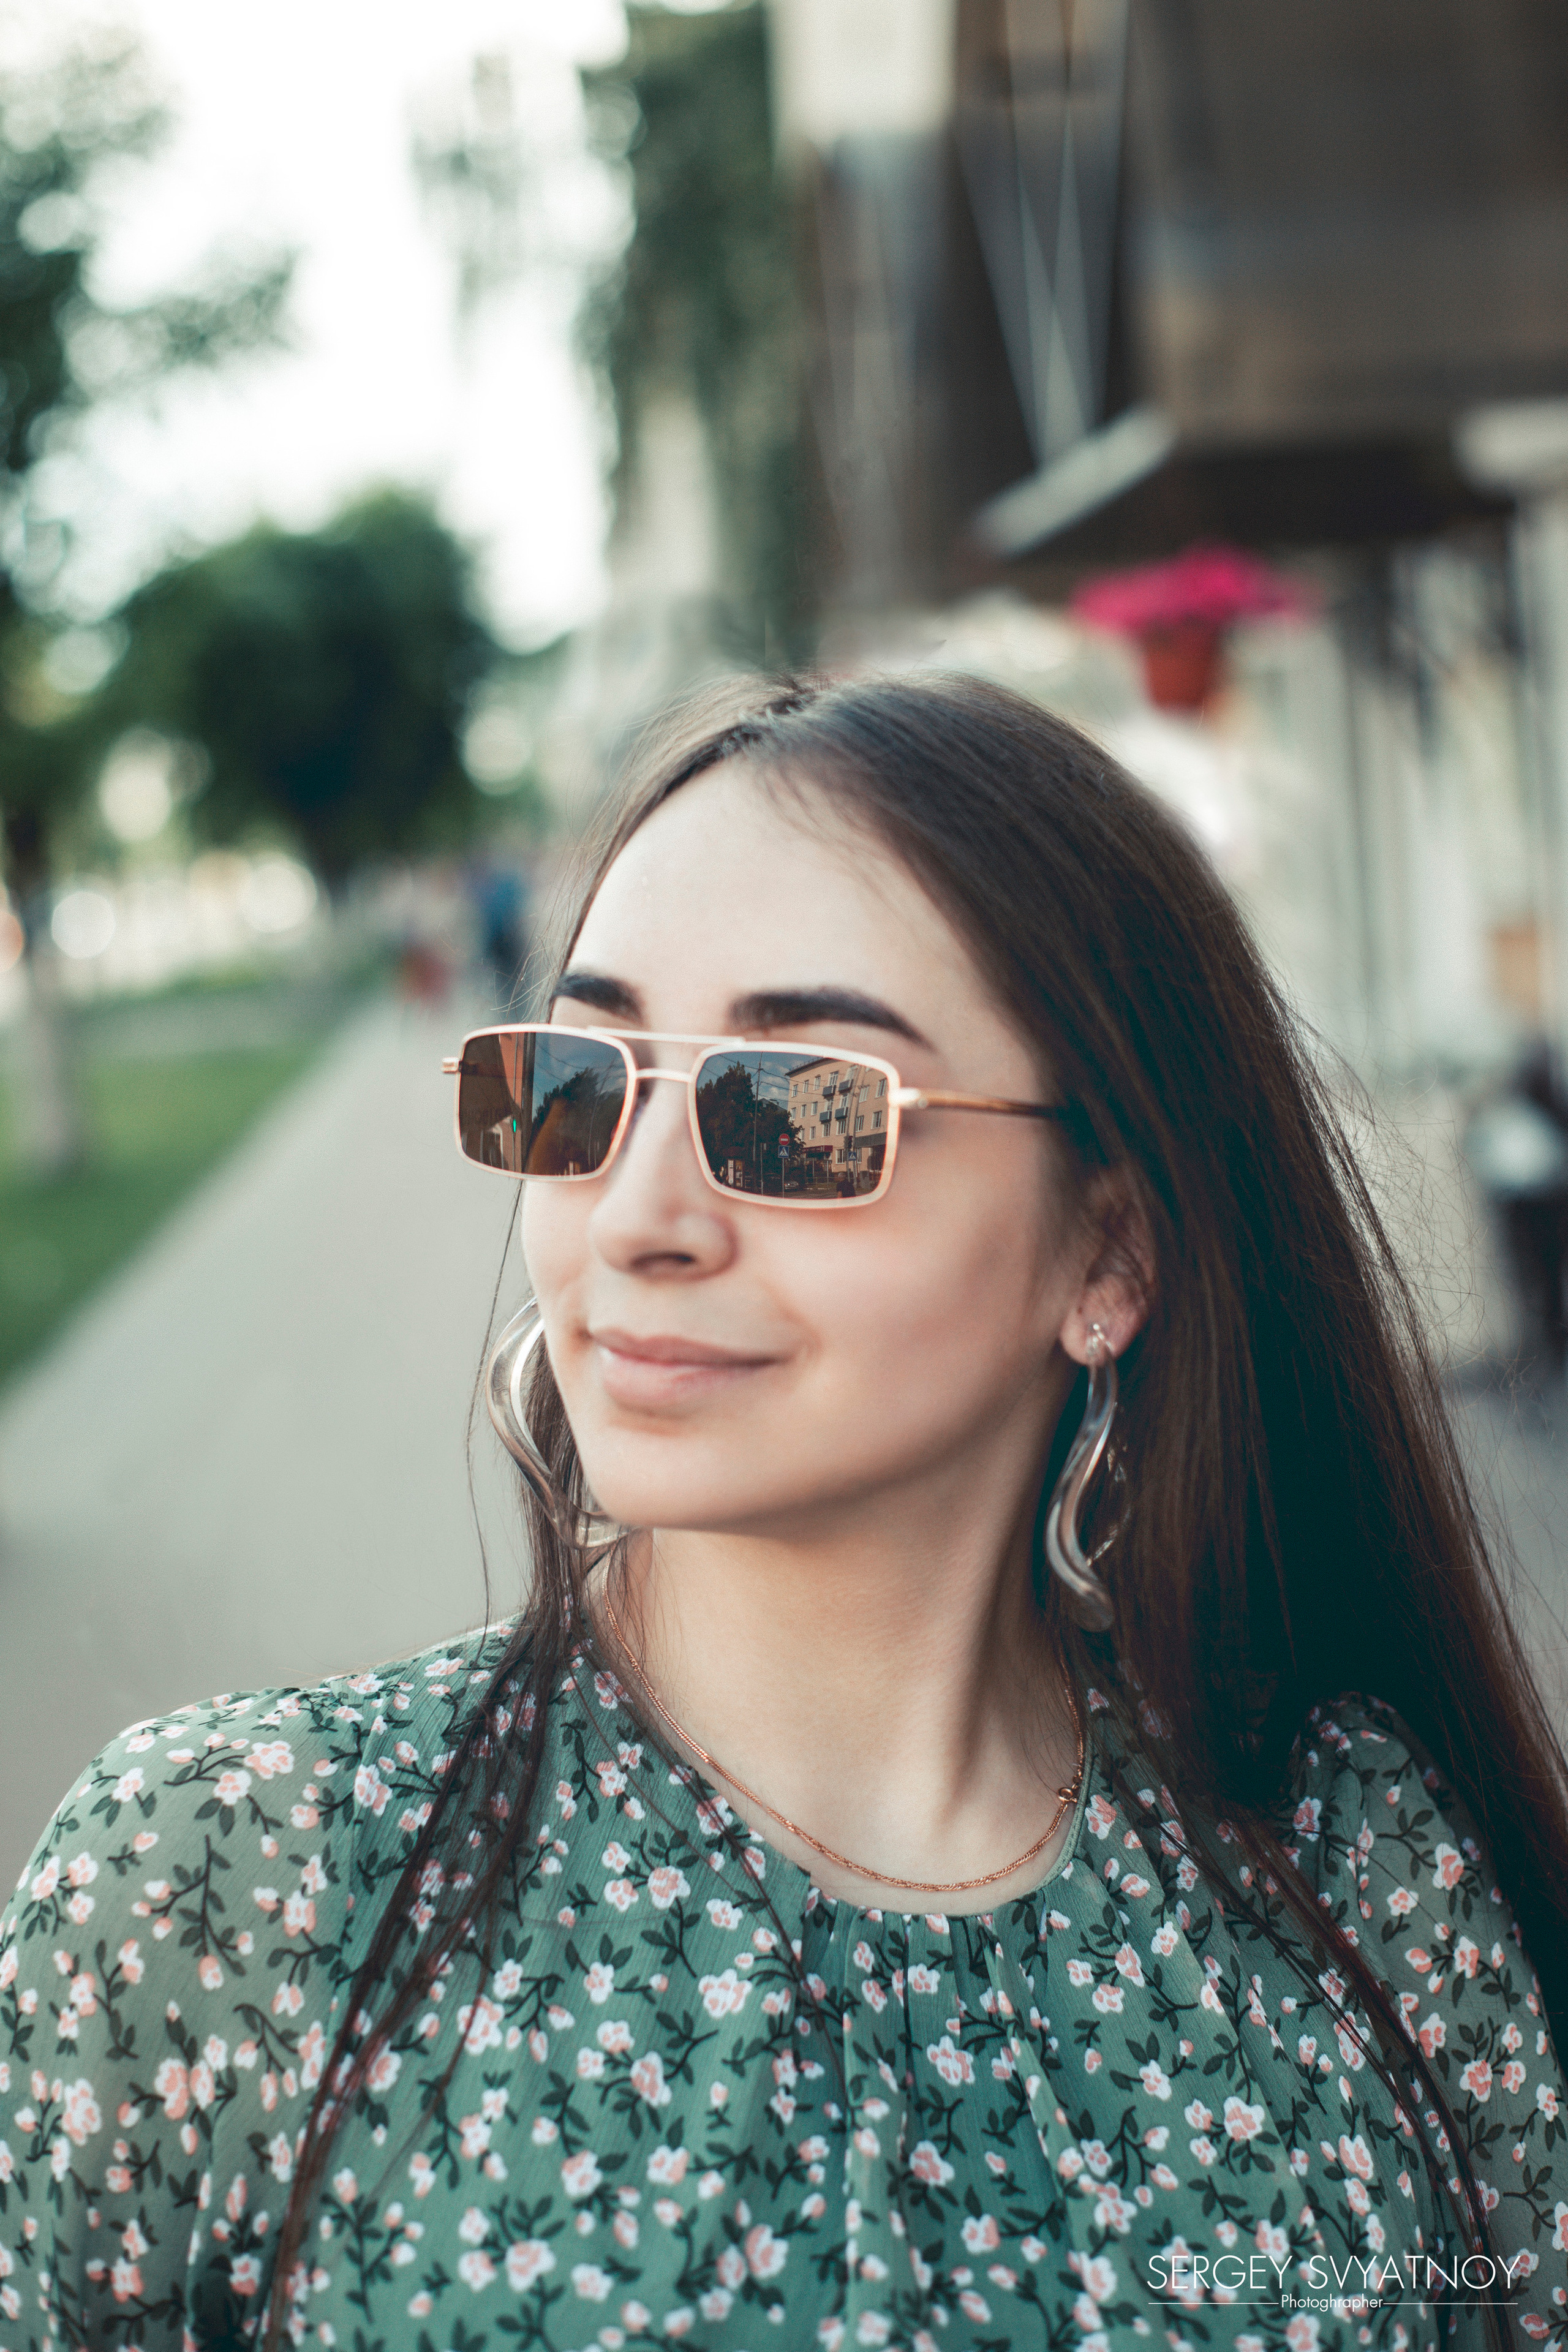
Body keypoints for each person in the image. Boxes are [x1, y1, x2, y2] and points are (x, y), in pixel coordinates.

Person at [3, 674, 1567, 2352]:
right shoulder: (226, 1878)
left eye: (804, 1110)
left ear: (1109, 1249)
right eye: (579, 1084)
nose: (639, 1218)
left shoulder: (1350, 1864)